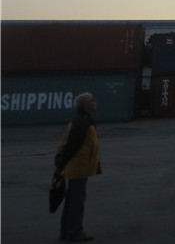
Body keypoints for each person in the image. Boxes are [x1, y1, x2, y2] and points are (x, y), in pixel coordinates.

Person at [55, 92, 101, 242]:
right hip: (78, 168)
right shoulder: (82, 123)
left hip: (79, 168)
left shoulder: (82, 121)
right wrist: (61, 165)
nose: (94, 102)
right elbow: (72, 146)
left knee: (71, 201)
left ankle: (66, 232)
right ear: (85, 105)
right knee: (76, 201)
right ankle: (75, 232)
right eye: (92, 100)